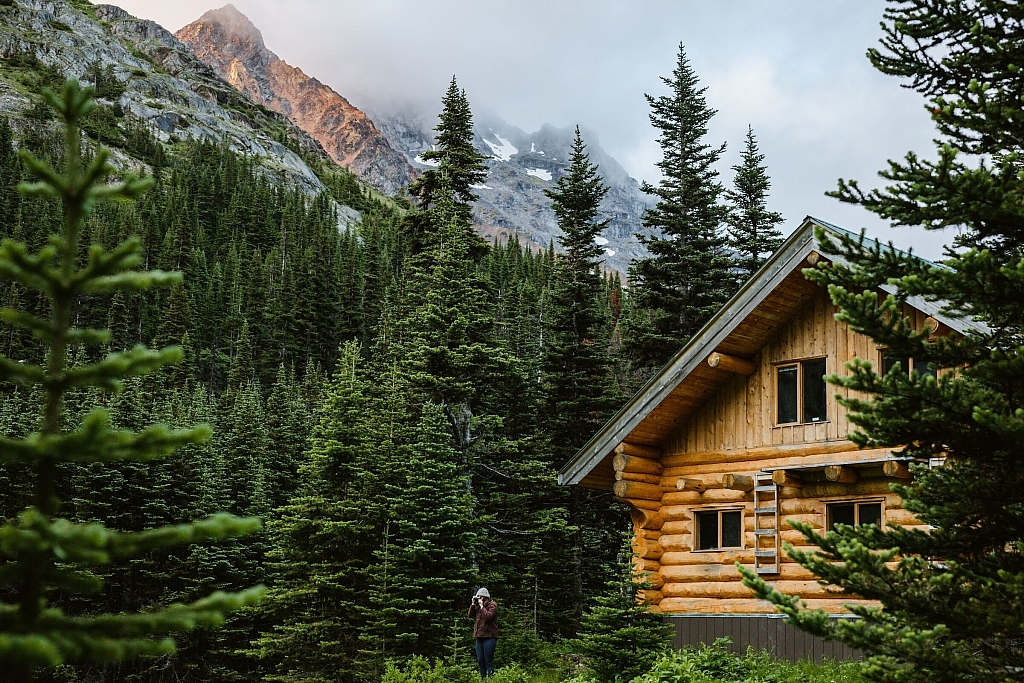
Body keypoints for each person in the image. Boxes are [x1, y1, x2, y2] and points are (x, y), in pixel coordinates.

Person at [468, 587, 498, 677]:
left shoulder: (492, 605)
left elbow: (488, 617)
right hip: (479, 636)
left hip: (490, 636)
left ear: (485, 597)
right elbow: (470, 615)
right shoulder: (478, 605)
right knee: (481, 660)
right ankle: (483, 679)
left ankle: (491, 679)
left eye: (480, 597)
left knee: (488, 660)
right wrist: (473, 604)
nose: (479, 599)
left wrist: (482, 607)